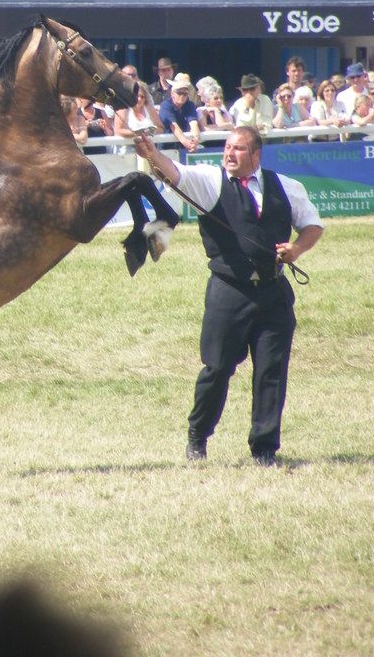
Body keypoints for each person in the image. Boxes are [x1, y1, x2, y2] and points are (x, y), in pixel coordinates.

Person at [135, 126, 323, 465]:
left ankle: (264, 449)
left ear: (256, 154)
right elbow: (175, 172)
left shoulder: (287, 187)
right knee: (217, 368)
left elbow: (312, 224)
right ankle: (198, 435)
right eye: (227, 147)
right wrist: (151, 153)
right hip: (228, 292)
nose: (229, 154)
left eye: (238, 149)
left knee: (271, 373)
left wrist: (296, 249)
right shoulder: (211, 181)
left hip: (273, 293)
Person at [158, 72, 200, 152]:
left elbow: (193, 124)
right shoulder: (165, 105)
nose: (182, 96)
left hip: (184, 148)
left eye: (185, 94)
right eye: (179, 93)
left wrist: (195, 140)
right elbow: (174, 126)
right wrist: (186, 142)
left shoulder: (190, 104)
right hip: (166, 148)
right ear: (172, 94)